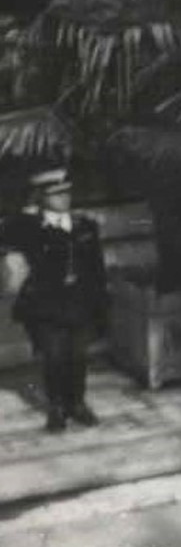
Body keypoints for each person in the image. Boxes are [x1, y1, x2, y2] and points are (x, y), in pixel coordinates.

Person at [0, 169, 108, 432]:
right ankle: (57, 407)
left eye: (67, 193)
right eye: (56, 194)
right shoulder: (29, 227)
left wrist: (100, 302)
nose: (64, 199)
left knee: (78, 355)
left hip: (79, 302)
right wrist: (26, 212)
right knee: (54, 356)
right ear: (41, 197)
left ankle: (78, 403)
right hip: (46, 305)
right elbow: (5, 232)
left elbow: (96, 267)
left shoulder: (84, 225)